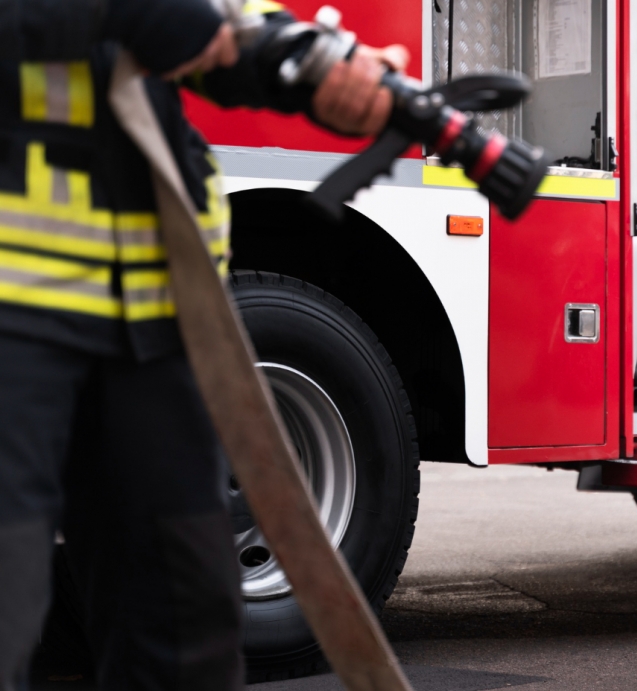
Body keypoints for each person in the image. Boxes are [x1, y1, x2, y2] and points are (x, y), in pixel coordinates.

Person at [0, 2, 407, 689]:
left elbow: (214, 22)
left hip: (153, 317)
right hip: (17, 311)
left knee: (185, 628)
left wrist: (316, 68)